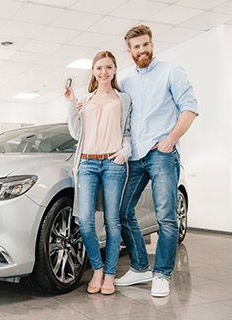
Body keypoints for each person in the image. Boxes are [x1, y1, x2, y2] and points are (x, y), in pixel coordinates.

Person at [114, 25, 199, 297]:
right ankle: (140, 267)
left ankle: (162, 274)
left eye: (146, 45)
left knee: (166, 217)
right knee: (122, 211)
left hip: (162, 153)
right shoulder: (127, 81)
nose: (142, 51)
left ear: (152, 45)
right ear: (129, 52)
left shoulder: (172, 71)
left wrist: (171, 139)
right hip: (136, 157)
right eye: (136, 47)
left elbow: (190, 108)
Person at [66, 51, 132, 295]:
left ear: (115, 70)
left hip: (113, 163)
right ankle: (97, 269)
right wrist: (71, 104)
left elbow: (128, 131)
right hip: (87, 163)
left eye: (108, 67)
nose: (103, 72)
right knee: (84, 221)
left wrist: (124, 152)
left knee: (112, 222)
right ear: (93, 72)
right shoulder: (87, 99)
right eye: (98, 68)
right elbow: (76, 133)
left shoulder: (124, 99)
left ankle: (110, 275)